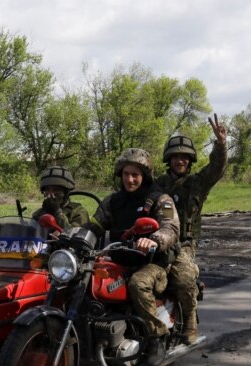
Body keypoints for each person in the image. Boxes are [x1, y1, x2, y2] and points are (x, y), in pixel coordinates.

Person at [84, 148, 180, 366]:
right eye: (126, 174)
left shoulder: (160, 199)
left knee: (138, 283)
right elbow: (94, 226)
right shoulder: (112, 202)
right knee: (85, 279)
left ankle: (155, 338)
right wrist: (76, 237)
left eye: (135, 174)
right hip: (119, 259)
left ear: (144, 176)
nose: (130, 179)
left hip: (153, 263)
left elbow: (171, 228)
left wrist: (154, 240)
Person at [156, 113, 227, 345]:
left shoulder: (197, 183)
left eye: (184, 157)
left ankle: (189, 322)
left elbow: (216, 169)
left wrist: (220, 144)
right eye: (176, 157)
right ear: (169, 159)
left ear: (190, 160)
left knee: (184, 275)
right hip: (158, 239)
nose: (180, 161)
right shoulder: (157, 185)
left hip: (184, 243)